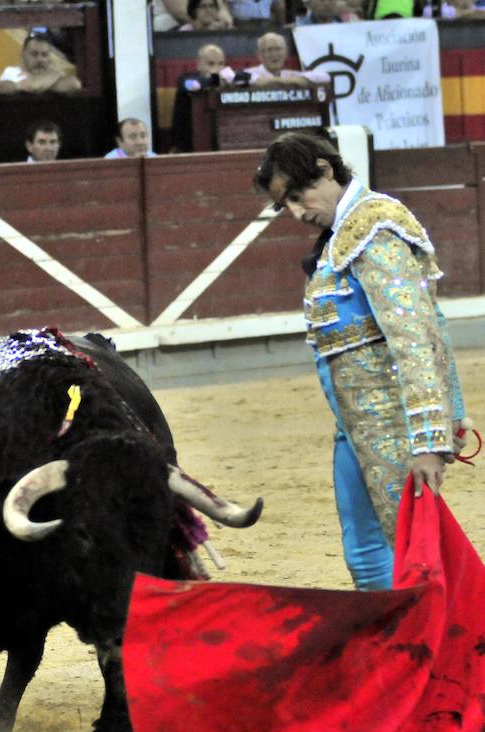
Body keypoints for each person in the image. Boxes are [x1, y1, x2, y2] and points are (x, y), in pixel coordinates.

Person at [253, 130, 466, 590]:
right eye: (284, 204)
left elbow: (416, 336)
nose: (295, 212)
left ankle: (442, 652)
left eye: (297, 196)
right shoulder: (341, 237)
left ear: (326, 170)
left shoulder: (373, 228)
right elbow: (432, 323)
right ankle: (401, 653)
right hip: (354, 427)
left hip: (393, 428)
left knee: (411, 555)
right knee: (366, 554)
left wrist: (429, 438)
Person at [170, 44, 242, 152]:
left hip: (224, 142)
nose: (216, 68)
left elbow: (251, 79)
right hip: (188, 147)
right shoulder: (186, 79)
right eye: (211, 63)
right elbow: (191, 85)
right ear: (199, 64)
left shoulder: (227, 79)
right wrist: (215, 79)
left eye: (220, 64)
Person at [0, 28, 81, 94]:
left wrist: (49, 79)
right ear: (23, 55)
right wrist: (54, 75)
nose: (40, 60)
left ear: (49, 58)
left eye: (44, 55)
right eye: (34, 54)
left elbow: (74, 84)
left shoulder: (52, 76)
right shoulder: (11, 72)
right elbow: (31, 87)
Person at [243, 31, 331, 88]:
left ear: (286, 53)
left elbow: (325, 77)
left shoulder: (292, 74)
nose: (274, 54)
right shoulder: (249, 73)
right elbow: (231, 78)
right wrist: (293, 81)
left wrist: (275, 81)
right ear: (259, 55)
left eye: (278, 49)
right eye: (269, 50)